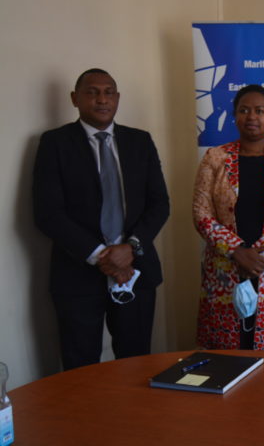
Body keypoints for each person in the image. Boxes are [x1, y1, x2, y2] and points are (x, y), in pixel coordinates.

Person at [33, 68, 170, 370]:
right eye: (92, 92)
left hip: (136, 271)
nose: (102, 99)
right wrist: (102, 256)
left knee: (136, 364)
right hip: (77, 276)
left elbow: (159, 204)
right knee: (81, 367)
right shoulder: (55, 143)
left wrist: (130, 248)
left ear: (117, 98)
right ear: (75, 98)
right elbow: (47, 213)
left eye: (109, 92)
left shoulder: (140, 141)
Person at [193, 84, 264, 350]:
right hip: (226, 270)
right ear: (235, 116)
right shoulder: (215, 157)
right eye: (244, 110)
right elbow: (201, 213)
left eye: (259, 111)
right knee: (228, 356)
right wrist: (237, 251)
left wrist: (260, 256)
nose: (252, 117)